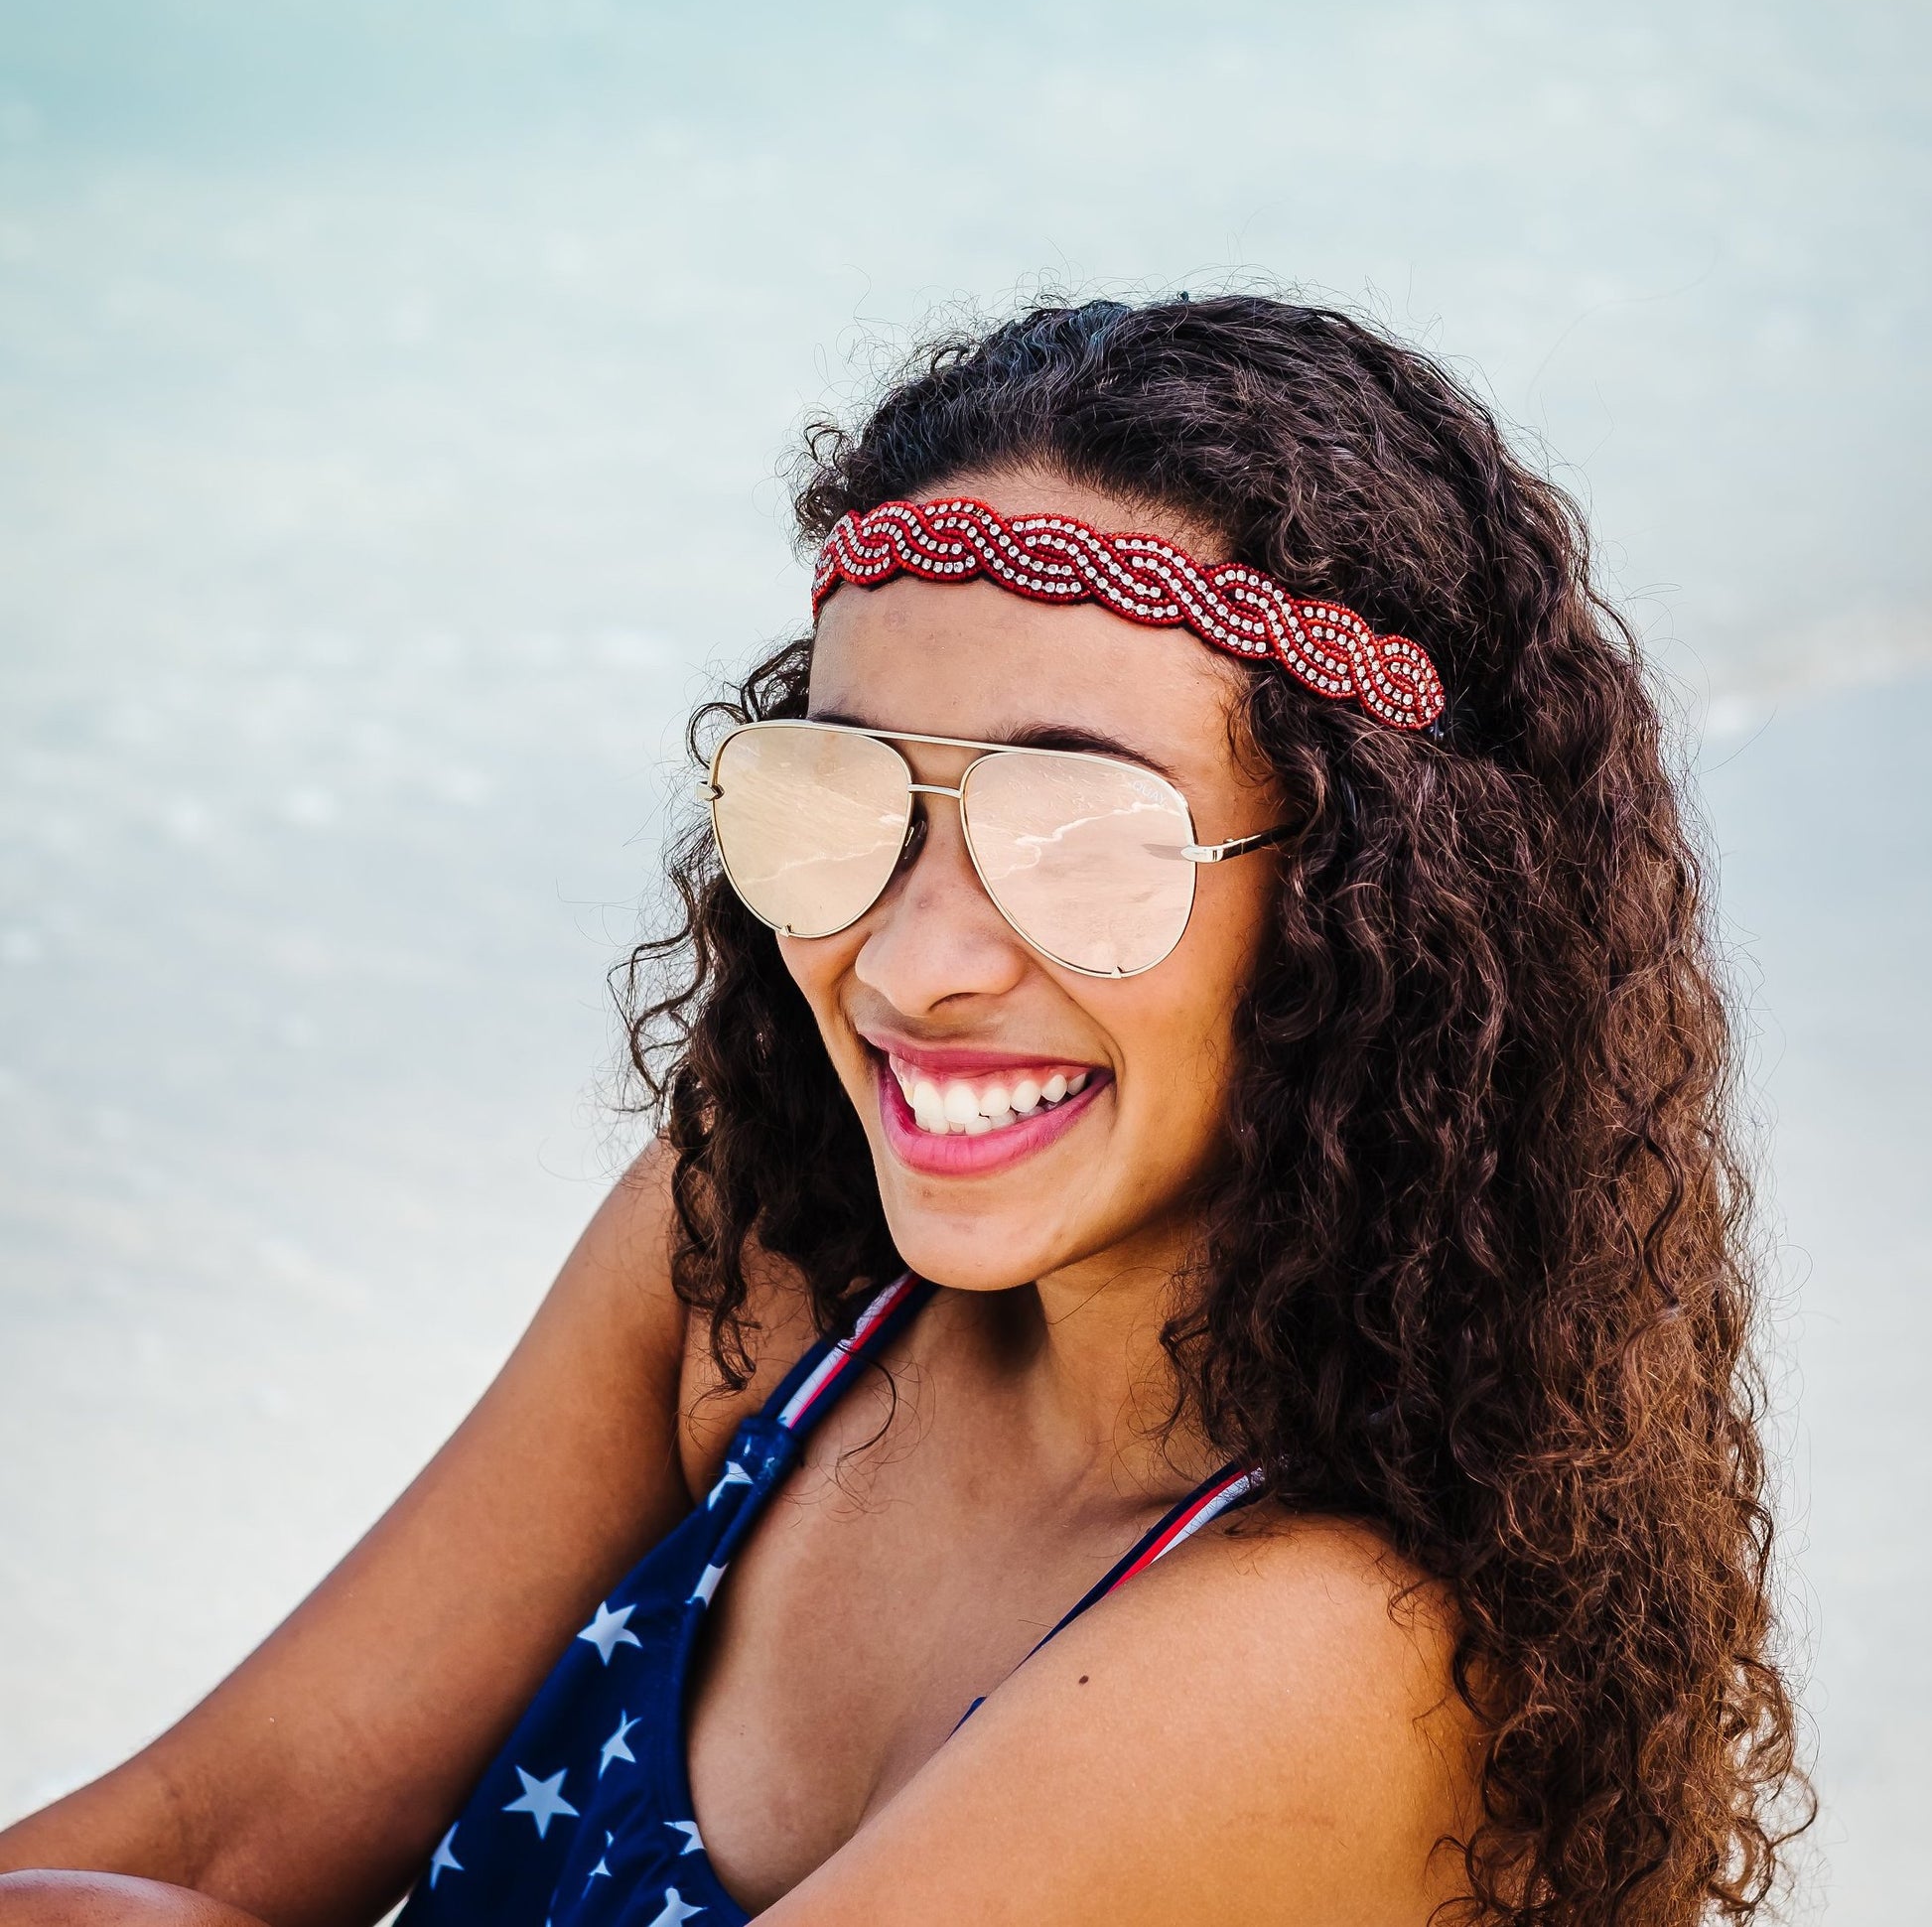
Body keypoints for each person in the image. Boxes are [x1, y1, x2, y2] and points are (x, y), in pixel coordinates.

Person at [0, 296, 1805, 1926]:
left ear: (1378, 903)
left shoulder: (1326, 1654)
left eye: (1079, 837)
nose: (915, 961)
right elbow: (216, 1825)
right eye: (841, 796)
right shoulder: (764, 1266)